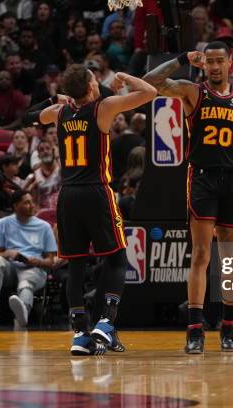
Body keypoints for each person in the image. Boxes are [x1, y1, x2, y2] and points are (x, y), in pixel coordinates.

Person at [143, 42, 233, 353]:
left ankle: (229, 326)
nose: (215, 67)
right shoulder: (193, 92)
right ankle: (194, 329)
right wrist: (180, 58)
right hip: (202, 179)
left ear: (231, 63)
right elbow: (151, 83)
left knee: (229, 258)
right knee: (202, 255)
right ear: (204, 65)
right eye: (210, 62)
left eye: (220, 61)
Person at [29, 64, 156, 355]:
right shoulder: (103, 108)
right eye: (94, 80)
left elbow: (28, 116)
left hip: (68, 196)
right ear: (89, 89)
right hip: (97, 191)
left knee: (76, 265)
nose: (99, 82)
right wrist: (128, 78)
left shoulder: (59, 113)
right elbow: (149, 92)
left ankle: (80, 335)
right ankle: (106, 323)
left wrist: (54, 100)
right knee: (117, 259)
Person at [0, 190, 56, 329]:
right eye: (27, 202)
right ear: (15, 206)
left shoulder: (44, 226)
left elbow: (51, 260)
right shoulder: (3, 223)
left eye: (32, 202)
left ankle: (23, 312)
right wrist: (8, 253)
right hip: (11, 266)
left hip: (34, 267)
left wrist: (37, 261)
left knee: (25, 284)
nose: (32, 205)